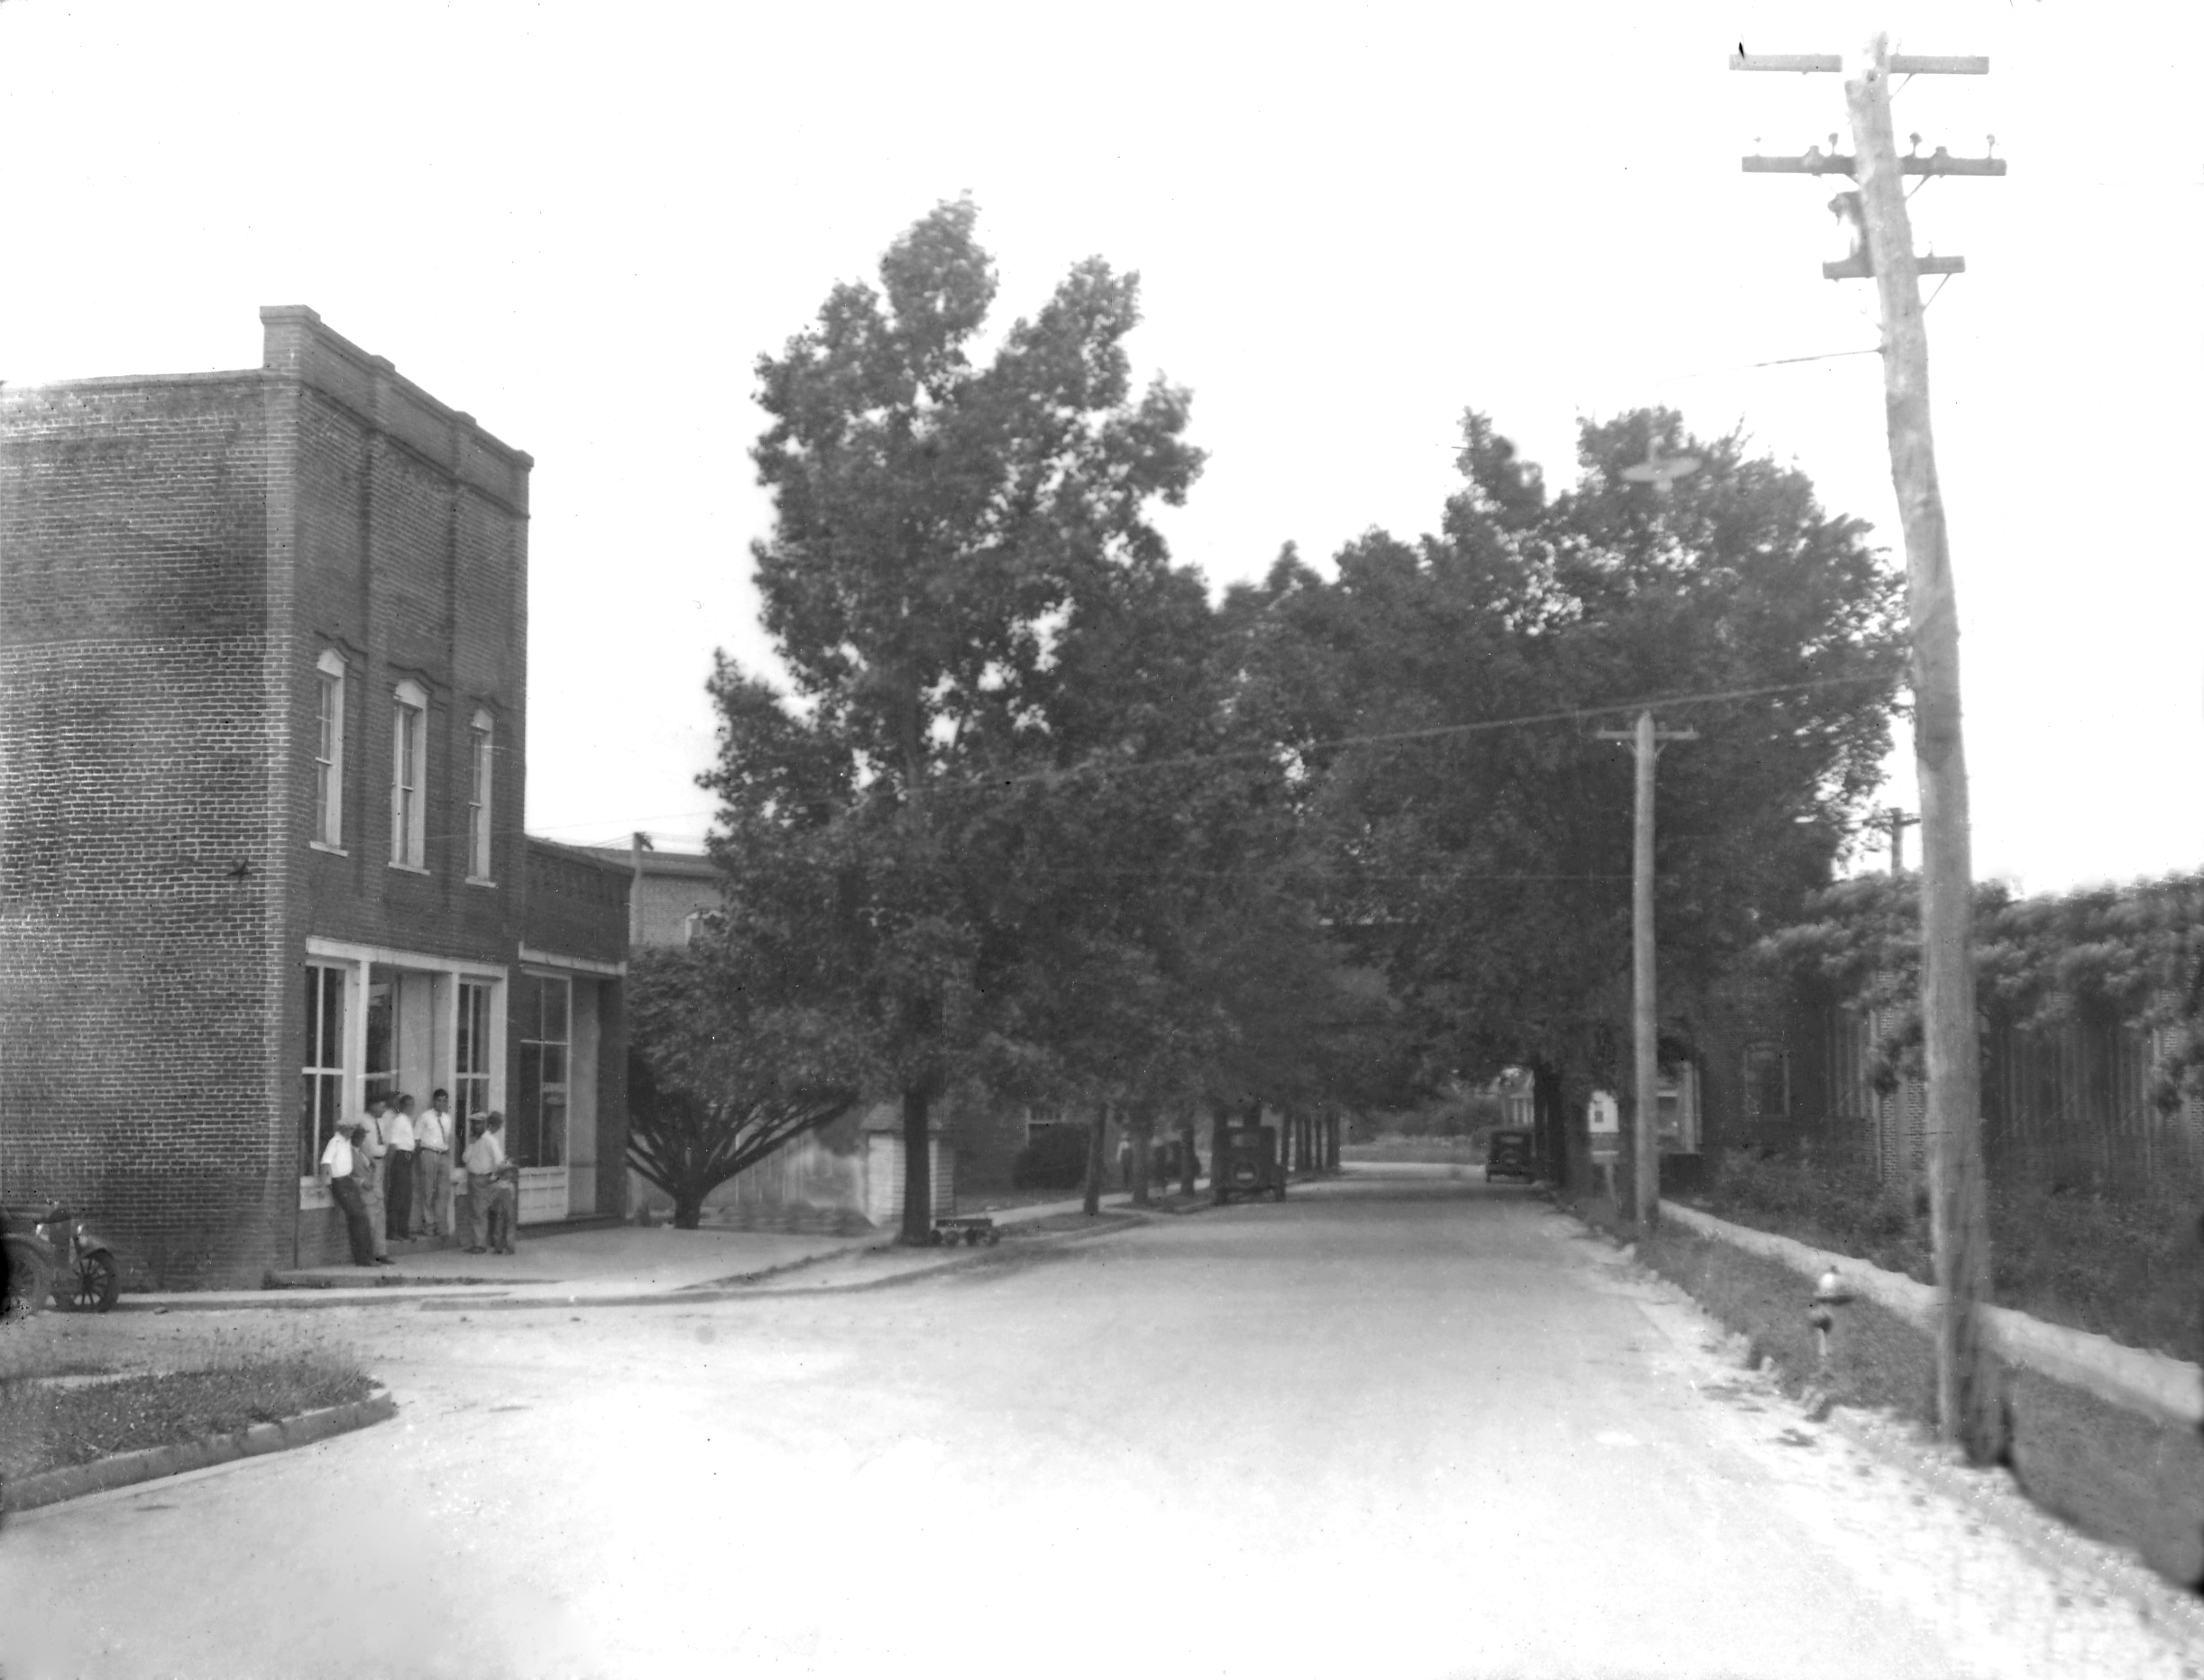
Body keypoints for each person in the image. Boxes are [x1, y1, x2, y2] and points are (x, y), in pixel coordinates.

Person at [317, 1122, 377, 1267]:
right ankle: (362, 1258)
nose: (351, 1132)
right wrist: (322, 1184)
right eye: (349, 1129)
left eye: (352, 1129)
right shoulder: (335, 1142)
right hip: (339, 1183)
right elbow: (326, 1162)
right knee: (358, 1216)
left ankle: (366, 1256)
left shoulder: (346, 1142)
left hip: (348, 1180)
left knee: (362, 1216)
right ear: (342, 1129)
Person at [464, 1111, 518, 1254]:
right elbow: (465, 1158)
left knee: (480, 1211)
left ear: (485, 1124)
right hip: (473, 1177)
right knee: (476, 1211)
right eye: (474, 1123)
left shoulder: (489, 1140)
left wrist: (497, 1176)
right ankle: (478, 1242)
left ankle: (480, 1245)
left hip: (482, 1178)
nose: (476, 1126)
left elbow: (499, 1162)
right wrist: (471, 1144)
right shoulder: (475, 1140)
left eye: (479, 1123)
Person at [355, 1097, 393, 1265]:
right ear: (372, 1104)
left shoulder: (382, 1121)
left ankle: (380, 1251)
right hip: (370, 1166)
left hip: (381, 1164)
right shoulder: (363, 1121)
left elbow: (385, 1142)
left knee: (380, 1209)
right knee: (370, 1210)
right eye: (381, 1105)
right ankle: (369, 1253)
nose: (384, 1110)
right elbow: (363, 1146)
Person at [414, 1088, 455, 1238]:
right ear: (434, 1101)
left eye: (445, 1100)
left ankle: (440, 1225)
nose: (442, 1103)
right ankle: (429, 1225)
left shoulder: (447, 1118)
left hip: (443, 1154)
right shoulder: (425, 1117)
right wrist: (423, 1156)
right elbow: (417, 1139)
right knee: (428, 1190)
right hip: (429, 1153)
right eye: (439, 1100)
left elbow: (448, 1138)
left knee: (443, 1191)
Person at [382, 1093, 418, 1242]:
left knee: (406, 1197)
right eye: (408, 1105)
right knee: (397, 1197)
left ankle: (404, 1230)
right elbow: (393, 1144)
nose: (411, 1108)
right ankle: (392, 1231)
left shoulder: (407, 1121)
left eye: (412, 1105)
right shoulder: (398, 1121)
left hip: (408, 1159)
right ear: (402, 1106)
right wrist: (389, 1165)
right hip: (400, 1159)